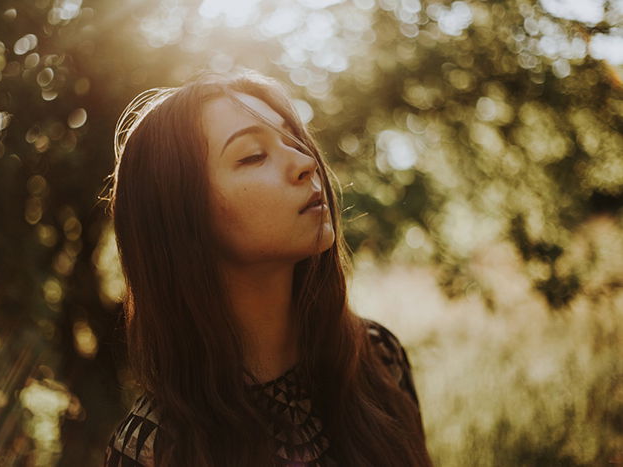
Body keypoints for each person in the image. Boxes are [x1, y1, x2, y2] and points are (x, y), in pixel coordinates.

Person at [102, 68, 433, 466]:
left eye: (294, 139)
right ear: (181, 216)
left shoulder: (378, 358)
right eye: (253, 155)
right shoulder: (155, 449)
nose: (307, 162)